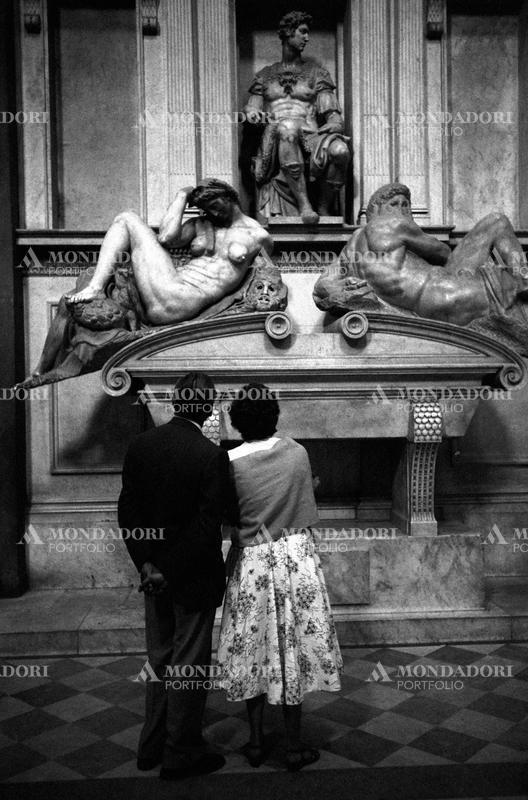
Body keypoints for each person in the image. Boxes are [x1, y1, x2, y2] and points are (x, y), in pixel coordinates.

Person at [217, 384, 342, 771]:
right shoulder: (296, 452)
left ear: (236, 422)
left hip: (252, 560)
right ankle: (293, 745)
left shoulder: (228, 461)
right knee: (292, 648)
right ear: (274, 417)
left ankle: (255, 741)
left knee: (253, 647)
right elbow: (306, 495)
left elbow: (228, 515)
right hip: (294, 557)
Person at [118, 371, 235, 780]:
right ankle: (180, 751)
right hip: (191, 577)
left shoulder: (141, 445)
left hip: (154, 576)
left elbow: (128, 513)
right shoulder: (209, 455)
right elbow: (207, 527)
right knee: (187, 664)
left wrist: (148, 565)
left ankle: (150, 747)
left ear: (175, 402)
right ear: (207, 408)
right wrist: (168, 569)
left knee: (159, 660)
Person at [314, 182, 528, 327]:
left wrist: (349, 288)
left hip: (429, 304)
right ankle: (523, 277)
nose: (402, 210)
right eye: (394, 204)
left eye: (406, 205)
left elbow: (322, 286)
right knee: (497, 221)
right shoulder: (393, 224)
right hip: (450, 293)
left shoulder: (350, 249)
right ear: (375, 210)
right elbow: (443, 252)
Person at [66, 178, 273, 321]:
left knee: (127, 219)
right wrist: (181, 196)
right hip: (168, 288)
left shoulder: (259, 236)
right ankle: (96, 287)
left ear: (229, 196)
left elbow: (268, 274)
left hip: (184, 299)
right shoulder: (202, 224)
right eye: (206, 207)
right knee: (126, 218)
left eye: (214, 203)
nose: (212, 211)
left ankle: (96, 288)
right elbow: (165, 237)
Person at [245, 10, 350, 222]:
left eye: (308, 33)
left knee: (340, 151)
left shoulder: (317, 73)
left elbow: (332, 114)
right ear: (287, 33)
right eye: (302, 32)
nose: (307, 38)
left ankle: (323, 206)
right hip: (276, 135)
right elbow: (252, 107)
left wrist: (335, 123)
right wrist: (252, 113)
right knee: (287, 128)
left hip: (311, 135)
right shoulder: (264, 76)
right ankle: (304, 205)